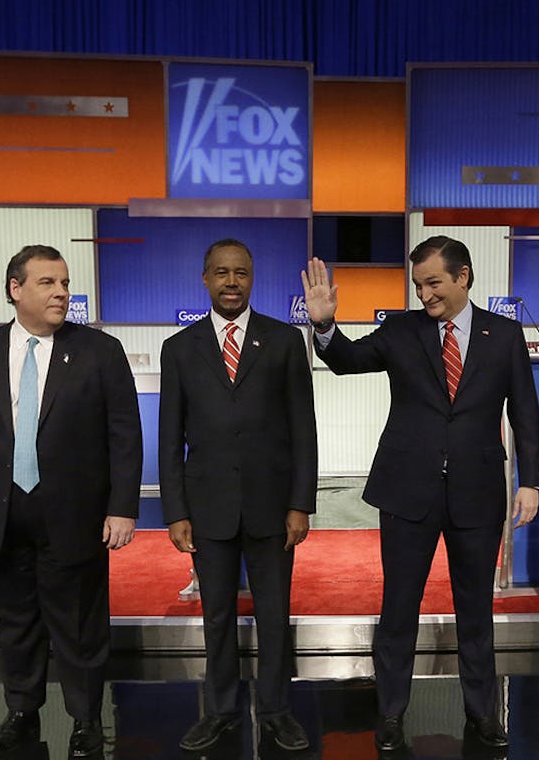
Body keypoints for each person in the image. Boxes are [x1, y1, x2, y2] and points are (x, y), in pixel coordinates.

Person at [301, 236, 539, 752]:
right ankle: (390, 714)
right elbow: (346, 359)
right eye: (418, 285)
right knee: (398, 608)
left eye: (434, 282)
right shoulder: (403, 330)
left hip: (477, 493)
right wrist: (324, 326)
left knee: (475, 610)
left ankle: (482, 714)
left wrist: (531, 481)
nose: (425, 295)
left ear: (464, 276)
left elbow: (525, 411)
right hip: (408, 490)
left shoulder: (504, 335)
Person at [0, 245, 141, 759]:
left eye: (65, 283)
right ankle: (22, 711)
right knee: (16, 623)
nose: (62, 293)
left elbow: (124, 436)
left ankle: (87, 720)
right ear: (16, 289)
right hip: (0, 514)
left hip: (76, 517)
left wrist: (123, 506)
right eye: (48, 282)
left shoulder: (99, 351)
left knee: (79, 625)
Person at [159, 239, 316, 752]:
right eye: (222, 273)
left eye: (241, 273)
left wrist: (300, 503)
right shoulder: (179, 348)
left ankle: (276, 709)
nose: (232, 282)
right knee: (216, 616)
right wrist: (176, 512)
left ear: (253, 278)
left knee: (274, 614)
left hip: (273, 507)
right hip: (208, 508)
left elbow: (303, 430)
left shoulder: (285, 341)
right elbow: (169, 437)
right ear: (205, 278)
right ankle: (220, 709)